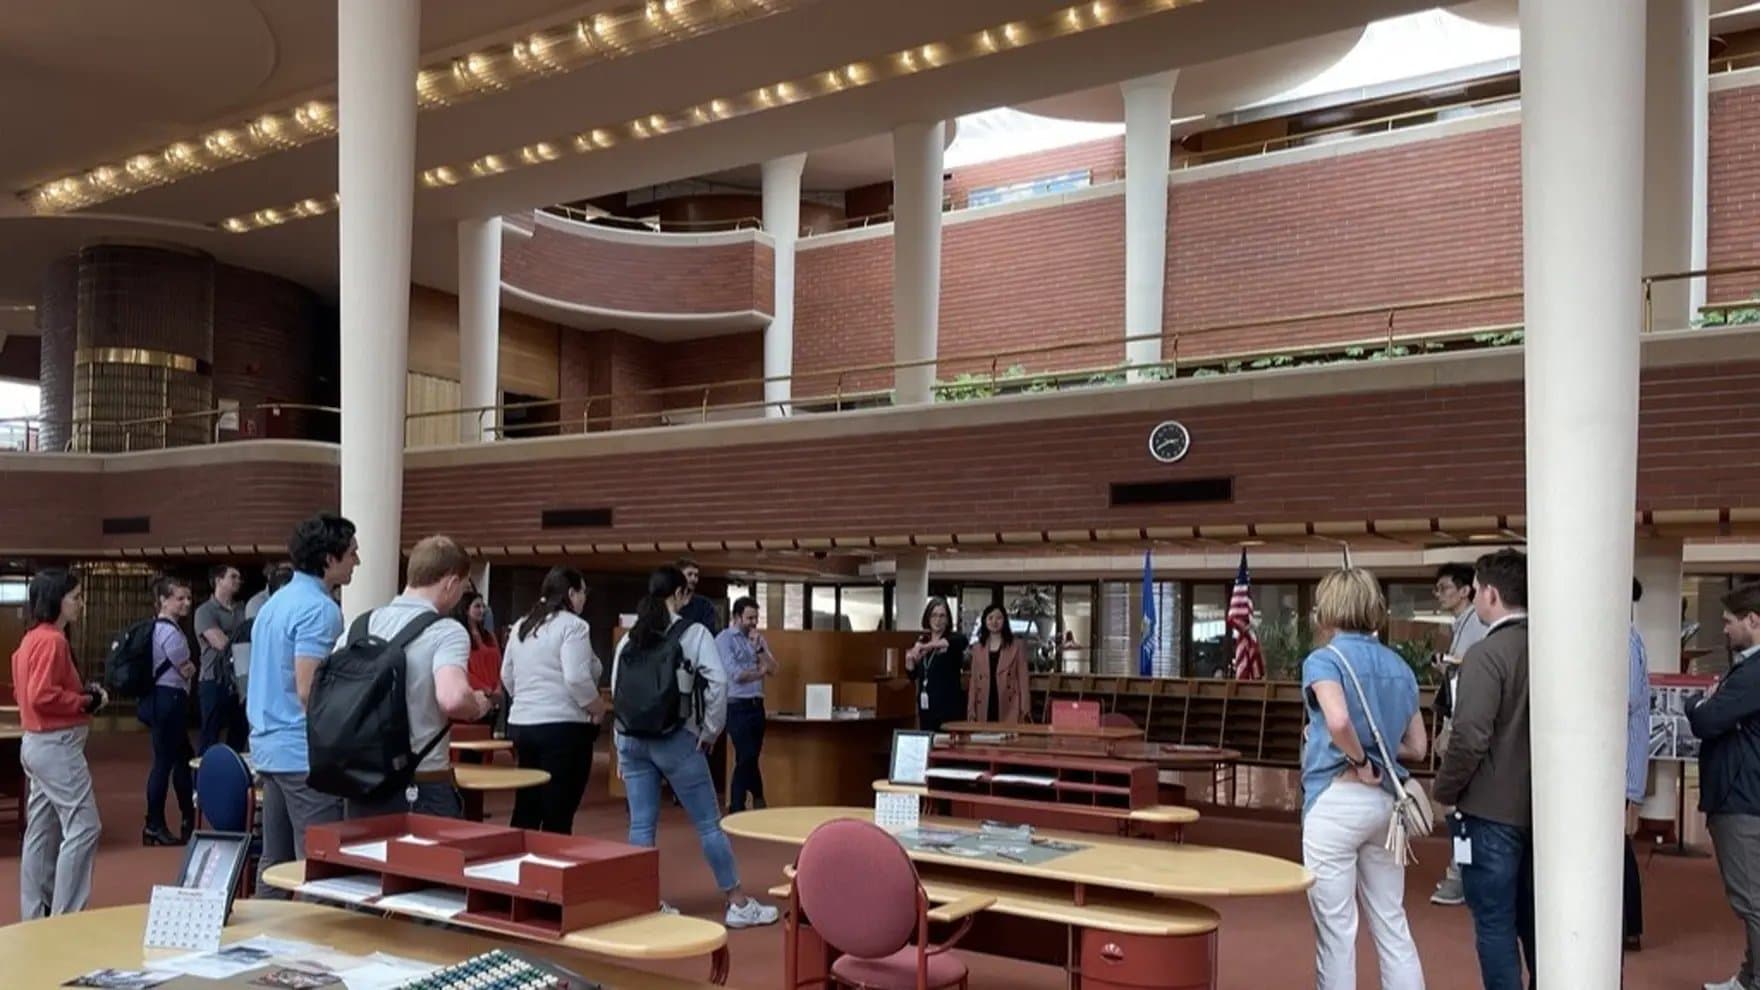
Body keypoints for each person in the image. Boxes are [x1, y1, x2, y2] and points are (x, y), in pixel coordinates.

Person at [612, 565, 778, 928]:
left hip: (632, 740)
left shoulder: (630, 637)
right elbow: (717, 684)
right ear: (681, 595)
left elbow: (617, 691)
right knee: (707, 825)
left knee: (641, 826)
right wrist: (711, 731)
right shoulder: (693, 632)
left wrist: (620, 747)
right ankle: (736, 902)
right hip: (676, 738)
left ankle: (641, 902)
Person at [1299, 567, 1427, 990]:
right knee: (1392, 923)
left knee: (1336, 933)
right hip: (1387, 807)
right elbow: (1418, 747)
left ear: (1327, 609)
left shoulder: (1324, 660)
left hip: (1336, 797)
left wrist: (1360, 759)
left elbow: (1337, 720)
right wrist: (1379, 752)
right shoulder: (1400, 667)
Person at [1434, 549, 1533, 990]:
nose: (1473, 598)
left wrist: (1445, 789)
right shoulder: (1553, 649)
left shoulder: (1487, 654)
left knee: (1494, 922)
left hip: (1490, 810)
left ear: (1490, 594)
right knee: (1538, 920)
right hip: (1544, 808)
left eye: (1474, 589)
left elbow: (1470, 733)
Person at [340, 535, 490, 820]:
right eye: (464, 586)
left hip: (361, 780)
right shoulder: (445, 631)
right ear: (450, 583)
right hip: (421, 780)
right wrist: (478, 706)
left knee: (367, 862)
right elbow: (453, 698)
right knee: (429, 864)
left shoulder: (358, 626)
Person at [247, 512, 355, 896]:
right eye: (351, 554)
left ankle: (263, 940)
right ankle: (315, 951)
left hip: (269, 748)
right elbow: (311, 690)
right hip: (301, 751)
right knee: (318, 866)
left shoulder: (273, 605)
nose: (357, 561)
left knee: (275, 864)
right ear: (329, 559)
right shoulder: (321, 610)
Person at [12, 568, 106, 919]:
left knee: (40, 831)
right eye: (76, 597)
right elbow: (42, 696)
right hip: (56, 744)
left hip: (36, 743)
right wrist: (85, 701)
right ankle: (66, 917)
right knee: (84, 827)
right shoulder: (52, 640)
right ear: (57, 600)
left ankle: (34, 914)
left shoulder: (30, 639)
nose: (80, 604)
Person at [1689, 581, 1760, 990]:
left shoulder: (1753, 673)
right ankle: (1750, 977)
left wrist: (1699, 705)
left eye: (1730, 622)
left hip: (1742, 798)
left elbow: (1706, 720)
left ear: (1754, 620)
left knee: (1750, 899)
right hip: (1743, 793)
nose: (1725, 630)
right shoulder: (1747, 670)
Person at [503, 567, 605, 834]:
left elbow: (506, 674)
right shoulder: (574, 626)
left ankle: (516, 867)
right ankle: (551, 868)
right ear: (571, 593)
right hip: (562, 727)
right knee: (558, 810)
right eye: (583, 592)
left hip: (523, 724)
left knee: (527, 804)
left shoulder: (522, 625)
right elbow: (576, 677)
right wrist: (596, 708)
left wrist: (526, 699)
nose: (584, 599)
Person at [1430, 561, 1490, 906]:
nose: (1440, 595)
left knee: (1457, 802)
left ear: (1467, 590)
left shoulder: (1475, 624)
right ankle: (1462, 870)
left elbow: (1471, 663)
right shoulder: (1462, 623)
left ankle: (1461, 873)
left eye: (1445, 588)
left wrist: (1450, 662)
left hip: (1465, 722)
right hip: (1458, 717)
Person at [141, 575, 197, 846]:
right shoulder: (169, 632)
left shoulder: (157, 629)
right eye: (180, 598)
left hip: (163, 699)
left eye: (188, 598)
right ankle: (155, 824)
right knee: (166, 762)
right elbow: (185, 667)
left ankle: (182, 819)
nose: (186, 603)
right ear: (163, 600)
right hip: (169, 699)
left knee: (177, 759)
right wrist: (190, 670)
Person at [716, 596, 777, 813]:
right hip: (736, 705)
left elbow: (773, 669)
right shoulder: (724, 639)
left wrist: (759, 651)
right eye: (749, 618)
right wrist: (758, 672)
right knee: (747, 755)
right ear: (736, 617)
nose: (753, 622)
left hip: (756, 705)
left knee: (749, 757)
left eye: (756, 618)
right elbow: (736, 675)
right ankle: (740, 804)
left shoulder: (758, 639)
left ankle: (750, 800)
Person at [1624, 578, 1652, 952]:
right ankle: (1627, 925)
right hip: (1618, 762)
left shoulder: (1624, 641)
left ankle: (1628, 924)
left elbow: (1624, 698)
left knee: (1615, 845)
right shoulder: (1625, 638)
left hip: (1617, 763)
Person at [195, 564, 245, 755]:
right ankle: (202, 781)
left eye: (239, 577)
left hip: (239, 679)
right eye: (233, 577)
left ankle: (233, 779)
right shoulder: (205, 611)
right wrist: (241, 641)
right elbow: (220, 642)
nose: (237, 581)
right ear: (218, 580)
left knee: (239, 733)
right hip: (213, 680)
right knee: (210, 734)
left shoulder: (241, 609)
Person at [904, 597, 967, 733]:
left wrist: (926, 647)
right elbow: (912, 675)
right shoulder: (922, 640)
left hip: (948, 707)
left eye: (942, 616)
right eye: (934, 615)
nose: (938, 620)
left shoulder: (953, 639)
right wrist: (909, 660)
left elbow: (958, 642)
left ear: (948, 619)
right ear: (928, 617)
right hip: (927, 707)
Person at [967, 604, 1029, 724]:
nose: (994, 621)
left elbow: (1023, 680)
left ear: (1005, 621)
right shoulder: (977, 648)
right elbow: (973, 682)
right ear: (984, 621)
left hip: (1009, 704)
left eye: (998, 618)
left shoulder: (1017, 646)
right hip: (984, 702)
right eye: (990, 618)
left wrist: (1025, 709)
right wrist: (971, 710)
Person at [455, 590, 503, 707]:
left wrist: (498, 688)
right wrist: (484, 689)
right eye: (477, 606)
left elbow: (500, 664)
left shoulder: (489, 635)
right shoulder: (459, 637)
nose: (481, 610)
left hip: (495, 697)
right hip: (474, 696)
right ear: (466, 609)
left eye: (483, 606)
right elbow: (461, 669)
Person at [676, 557, 722, 634]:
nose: (694, 579)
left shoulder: (705, 604)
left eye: (696, 575)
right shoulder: (670, 601)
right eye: (689, 574)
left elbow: (709, 632)